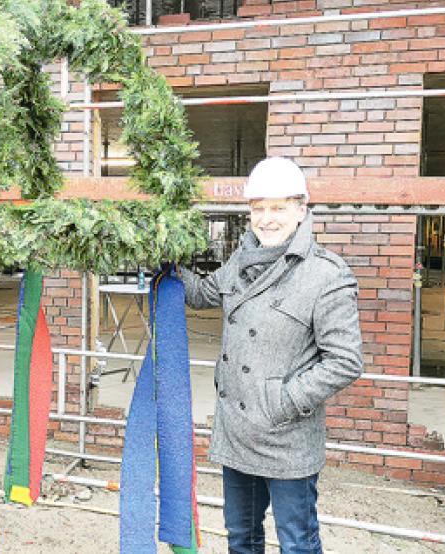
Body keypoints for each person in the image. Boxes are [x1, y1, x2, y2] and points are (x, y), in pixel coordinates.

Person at [179, 157, 363, 553]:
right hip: (238, 431)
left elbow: (345, 360)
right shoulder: (240, 262)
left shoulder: (325, 274)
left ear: (301, 209)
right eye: (258, 208)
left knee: (297, 542)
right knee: (241, 537)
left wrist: (282, 401)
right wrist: (158, 254)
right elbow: (200, 294)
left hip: (286, 436)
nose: (266, 219)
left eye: (278, 207)